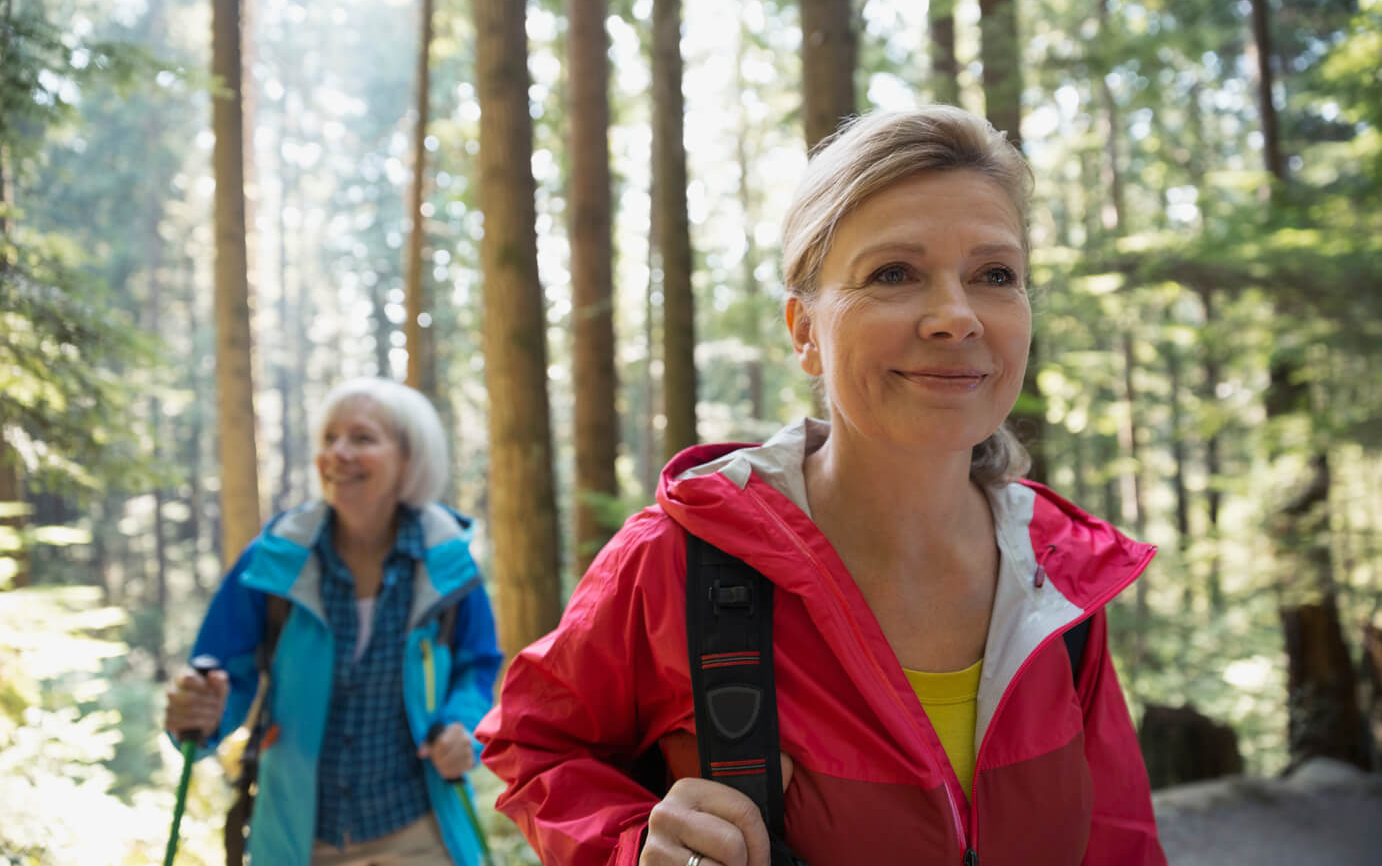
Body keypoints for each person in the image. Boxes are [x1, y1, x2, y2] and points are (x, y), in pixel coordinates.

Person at [475, 106, 1167, 866]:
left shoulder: (1061, 580)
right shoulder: (685, 558)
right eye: (894, 273)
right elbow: (531, 739)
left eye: (994, 274)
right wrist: (631, 845)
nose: (956, 315)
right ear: (805, 330)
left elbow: (1120, 844)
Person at [165, 377, 501, 866]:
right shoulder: (273, 560)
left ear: (409, 457)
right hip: (299, 837)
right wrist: (199, 716)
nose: (337, 453)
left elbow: (478, 666)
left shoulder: (446, 562)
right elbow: (220, 679)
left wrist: (462, 727)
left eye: (362, 439)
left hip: (420, 831)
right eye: (329, 438)